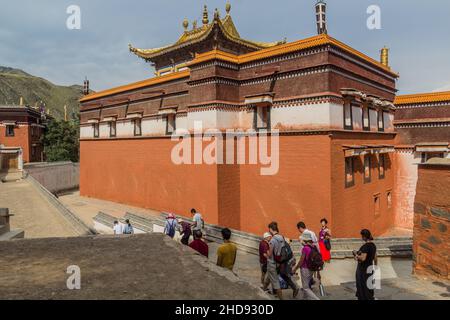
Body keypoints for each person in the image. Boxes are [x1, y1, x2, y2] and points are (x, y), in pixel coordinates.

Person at [263, 222, 299, 299]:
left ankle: (280, 298)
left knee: (275, 282)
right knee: (283, 276)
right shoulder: (281, 237)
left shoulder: (272, 240)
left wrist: (266, 253)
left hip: (273, 263)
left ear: (270, 229)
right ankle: (263, 289)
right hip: (281, 262)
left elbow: (270, 254)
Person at [293, 232, 320, 300]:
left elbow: (301, 261)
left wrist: (295, 268)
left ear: (305, 240)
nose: (300, 241)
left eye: (301, 240)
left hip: (305, 269)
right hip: (311, 269)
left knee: (305, 288)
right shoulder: (313, 246)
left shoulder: (305, 248)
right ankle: (305, 298)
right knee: (307, 285)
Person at [354, 229, 377, 300]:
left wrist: (356, 256)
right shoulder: (373, 245)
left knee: (363, 288)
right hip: (370, 268)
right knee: (369, 287)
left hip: (363, 270)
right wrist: (375, 267)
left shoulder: (365, 246)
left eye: (362, 236)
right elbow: (375, 258)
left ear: (364, 237)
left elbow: (363, 258)